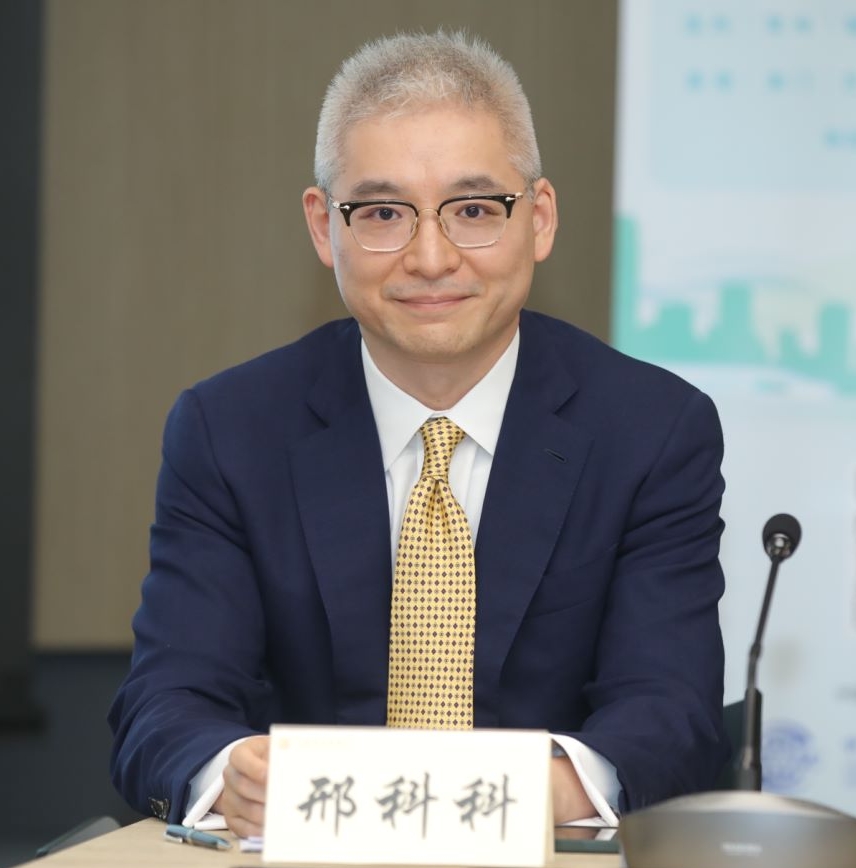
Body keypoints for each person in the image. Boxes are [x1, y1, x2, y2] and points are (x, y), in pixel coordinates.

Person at [109, 30, 729, 838]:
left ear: (539, 219)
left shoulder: (652, 431)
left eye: (474, 211)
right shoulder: (230, 431)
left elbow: (671, 712)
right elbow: (166, 703)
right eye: (382, 213)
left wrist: (528, 798)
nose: (431, 258)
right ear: (324, 227)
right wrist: (230, 773)